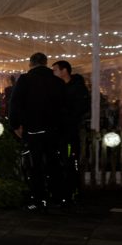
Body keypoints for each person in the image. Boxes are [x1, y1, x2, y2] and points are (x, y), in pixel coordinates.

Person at [9, 52, 66, 211]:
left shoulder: (25, 80)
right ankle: (57, 197)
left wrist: (15, 125)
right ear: (46, 63)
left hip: (33, 129)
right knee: (54, 163)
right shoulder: (57, 82)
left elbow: (15, 103)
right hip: (53, 130)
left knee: (35, 165)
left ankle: (38, 198)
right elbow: (63, 107)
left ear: (31, 64)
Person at [52, 60, 90, 205]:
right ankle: (62, 191)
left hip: (70, 131)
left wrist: (65, 114)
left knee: (69, 160)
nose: (53, 73)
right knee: (61, 160)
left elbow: (81, 108)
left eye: (55, 70)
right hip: (59, 130)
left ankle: (71, 191)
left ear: (64, 71)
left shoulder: (77, 88)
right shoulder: (59, 87)